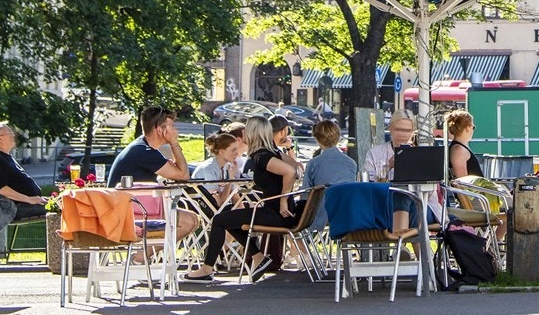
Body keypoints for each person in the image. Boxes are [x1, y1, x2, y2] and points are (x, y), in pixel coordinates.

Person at [184, 117, 300, 282]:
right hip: (280, 212)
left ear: (253, 133)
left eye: (247, 129)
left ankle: (207, 269)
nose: (243, 133)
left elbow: (290, 171)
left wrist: (282, 200)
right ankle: (257, 256)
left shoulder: (261, 156)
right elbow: (294, 166)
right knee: (228, 218)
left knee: (219, 220)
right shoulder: (271, 153)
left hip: (276, 213)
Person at [107, 106, 191, 187]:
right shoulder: (144, 152)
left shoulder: (141, 147)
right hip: (123, 201)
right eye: (172, 126)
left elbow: (179, 173)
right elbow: (184, 175)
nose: (176, 131)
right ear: (160, 130)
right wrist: (174, 142)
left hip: (123, 200)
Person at [302, 120, 358, 232]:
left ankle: (304, 250)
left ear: (317, 139)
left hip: (321, 215)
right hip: (346, 214)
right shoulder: (351, 163)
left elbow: (306, 194)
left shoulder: (314, 163)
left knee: (294, 231)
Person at [0, 121, 46, 218]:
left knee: (65, 202)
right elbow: (3, 189)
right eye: (9, 132)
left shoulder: (7, 157)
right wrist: (29, 199)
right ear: (0, 138)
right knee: (64, 207)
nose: (13, 134)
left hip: (29, 203)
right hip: (18, 207)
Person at [363, 115, 415, 181]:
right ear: (390, 129)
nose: (403, 134)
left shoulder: (417, 154)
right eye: (398, 129)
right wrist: (388, 166)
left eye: (407, 130)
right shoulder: (374, 153)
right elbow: (369, 183)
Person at [445, 110, 482, 179]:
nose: (473, 130)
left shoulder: (459, 148)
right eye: (473, 127)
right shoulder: (459, 150)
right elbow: (462, 183)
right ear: (467, 128)